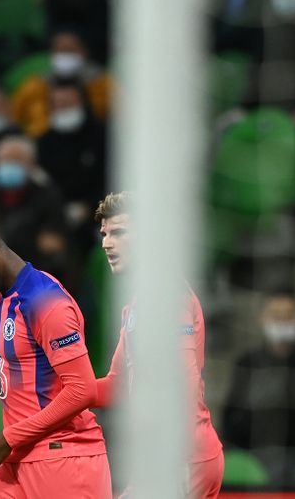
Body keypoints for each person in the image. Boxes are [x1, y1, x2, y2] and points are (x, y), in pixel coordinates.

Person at [0, 205, 111, 498]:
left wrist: (10, 436)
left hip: (63, 459)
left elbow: (82, 389)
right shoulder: (3, 299)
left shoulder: (45, 301)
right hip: (19, 461)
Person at [94, 192, 224, 498]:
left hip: (183, 456)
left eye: (119, 232)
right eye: (104, 234)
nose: (106, 244)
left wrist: (175, 455)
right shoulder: (137, 305)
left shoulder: (169, 295)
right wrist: (60, 399)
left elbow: (185, 377)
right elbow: (114, 384)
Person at [0, 136, 71, 284]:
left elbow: (52, 243)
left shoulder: (48, 196)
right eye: (4, 160)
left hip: (35, 274)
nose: (9, 165)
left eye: (16, 160)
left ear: (32, 164)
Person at [222, 291, 295, 486]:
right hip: (253, 459)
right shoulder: (247, 363)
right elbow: (230, 420)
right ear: (262, 318)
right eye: (276, 316)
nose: (282, 322)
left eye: (288, 316)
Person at [36, 80, 107, 246]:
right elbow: (43, 181)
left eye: (68, 103)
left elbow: (112, 176)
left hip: (100, 212)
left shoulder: (102, 136)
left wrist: (90, 206)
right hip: (58, 216)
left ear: (82, 102)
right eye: (57, 104)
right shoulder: (45, 142)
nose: (63, 108)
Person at [11, 28, 112, 138]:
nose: (65, 55)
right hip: (43, 141)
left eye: (70, 50)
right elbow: (13, 117)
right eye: (61, 50)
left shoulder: (104, 84)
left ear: (84, 52)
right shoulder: (34, 85)